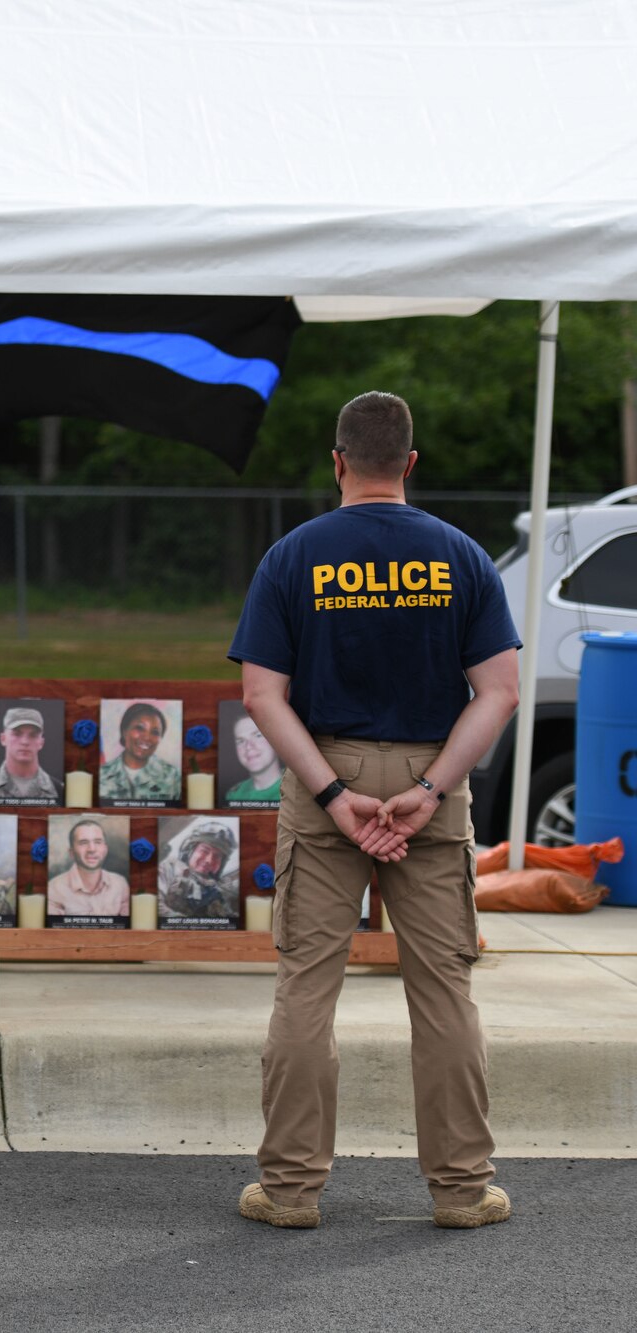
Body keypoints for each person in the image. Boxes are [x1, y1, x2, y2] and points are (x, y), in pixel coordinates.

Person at [229, 390, 520, 1232]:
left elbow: (261, 693)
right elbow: (496, 691)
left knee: (306, 990)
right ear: (411, 463)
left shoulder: (294, 555)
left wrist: (330, 790)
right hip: (431, 780)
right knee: (445, 993)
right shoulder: (461, 555)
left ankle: (289, 1190)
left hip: (331, 784)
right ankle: (463, 1189)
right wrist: (428, 792)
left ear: (338, 461)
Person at [46, 819, 130, 919]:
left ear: (105, 849)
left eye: (98, 842)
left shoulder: (120, 884)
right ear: (71, 852)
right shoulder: (54, 889)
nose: (92, 849)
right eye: (83, 842)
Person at [98, 702, 180, 803]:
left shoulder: (172, 777)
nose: (147, 737)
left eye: (155, 732)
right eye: (140, 728)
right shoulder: (102, 774)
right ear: (124, 731)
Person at [158, 821, 237, 922]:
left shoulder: (216, 890)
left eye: (217, 856)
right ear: (190, 850)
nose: (209, 860)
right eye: (204, 851)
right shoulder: (169, 868)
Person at [0, 707, 59, 803]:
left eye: (33, 735)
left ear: (41, 742)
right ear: (3, 739)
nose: (25, 742)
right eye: (16, 734)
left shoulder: (59, 790)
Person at [225, 712, 283, 803]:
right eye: (241, 741)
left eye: (258, 735)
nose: (248, 747)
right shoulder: (234, 795)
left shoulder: (297, 790)